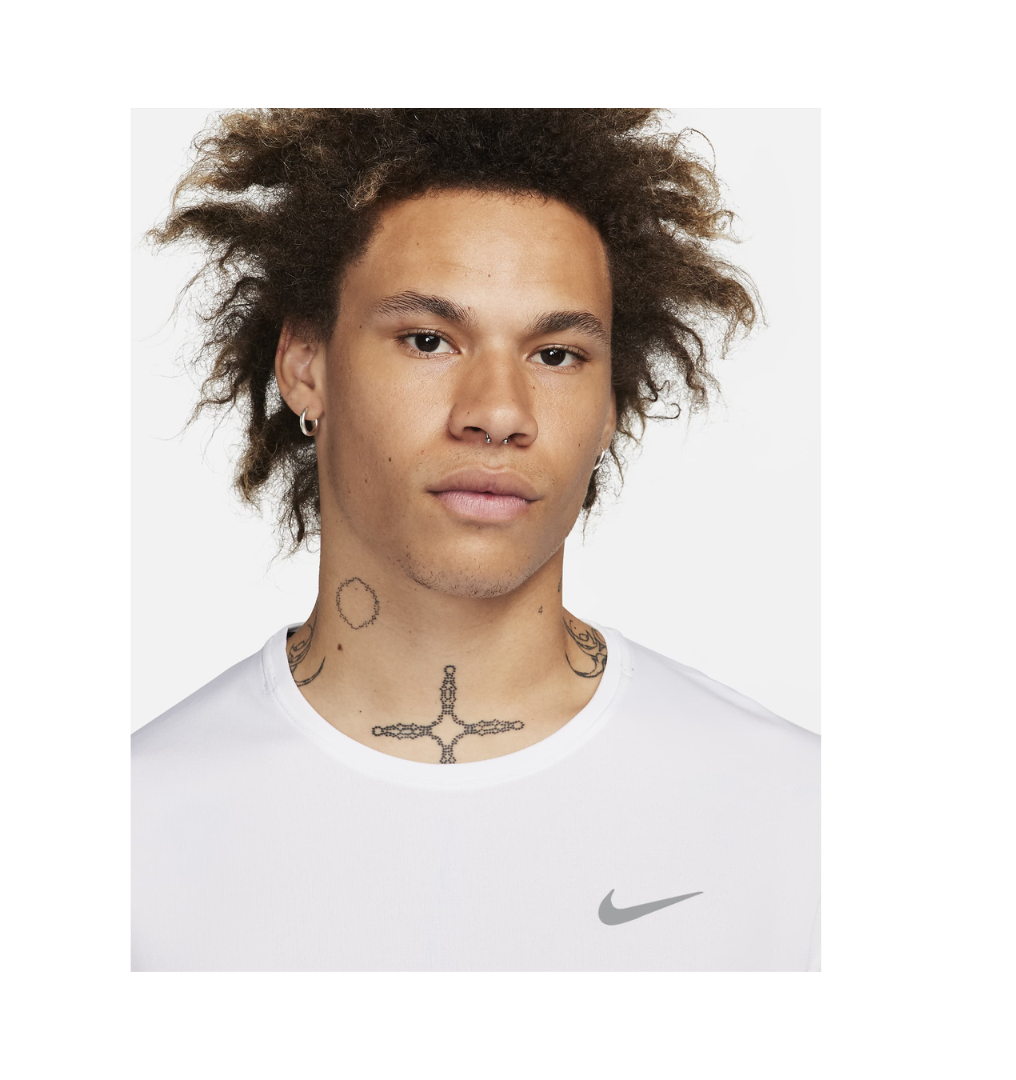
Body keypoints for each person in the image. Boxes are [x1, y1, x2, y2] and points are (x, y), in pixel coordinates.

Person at [131, 108, 820, 972]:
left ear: (611, 402)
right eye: (429, 341)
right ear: (306, 365)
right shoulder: (134, 833)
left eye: (557, 355)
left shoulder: (799, 818)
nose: (497, 413)